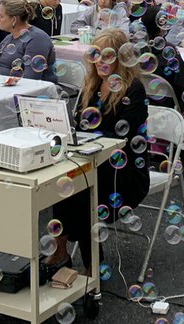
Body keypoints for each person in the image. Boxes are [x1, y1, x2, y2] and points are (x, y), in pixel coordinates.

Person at [45, 28, 149, 271]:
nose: (101, 61)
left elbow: (123, 135)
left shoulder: (133, 89)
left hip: (123, 169)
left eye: (108, 56)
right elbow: (81, 124)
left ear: (122, 59)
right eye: (96, 55)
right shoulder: (92, 84)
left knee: (80, 188)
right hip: (93, 159)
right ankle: (64, 251)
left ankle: (89, 264)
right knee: (64, 180)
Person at [0, 0, 59, 83]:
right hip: (3, 85)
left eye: (1, 15)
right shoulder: (8, 38)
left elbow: (31, 79)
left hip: (32, 89)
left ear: (14, 19)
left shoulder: (37, 39)